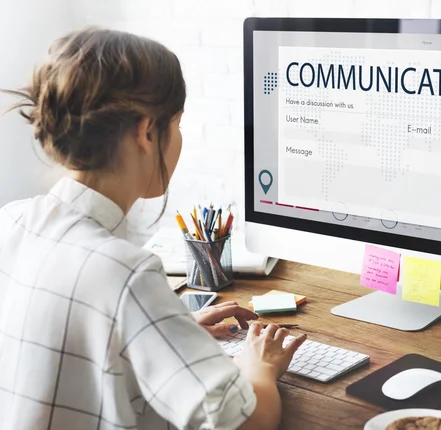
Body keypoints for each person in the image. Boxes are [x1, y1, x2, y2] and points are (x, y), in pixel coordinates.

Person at [0, 27, 306, 430]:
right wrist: (258, 366)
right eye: (176, 124)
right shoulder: (126, 273)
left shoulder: (11, 221)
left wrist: (164, 329)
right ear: (146, 132)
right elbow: (248, 421)